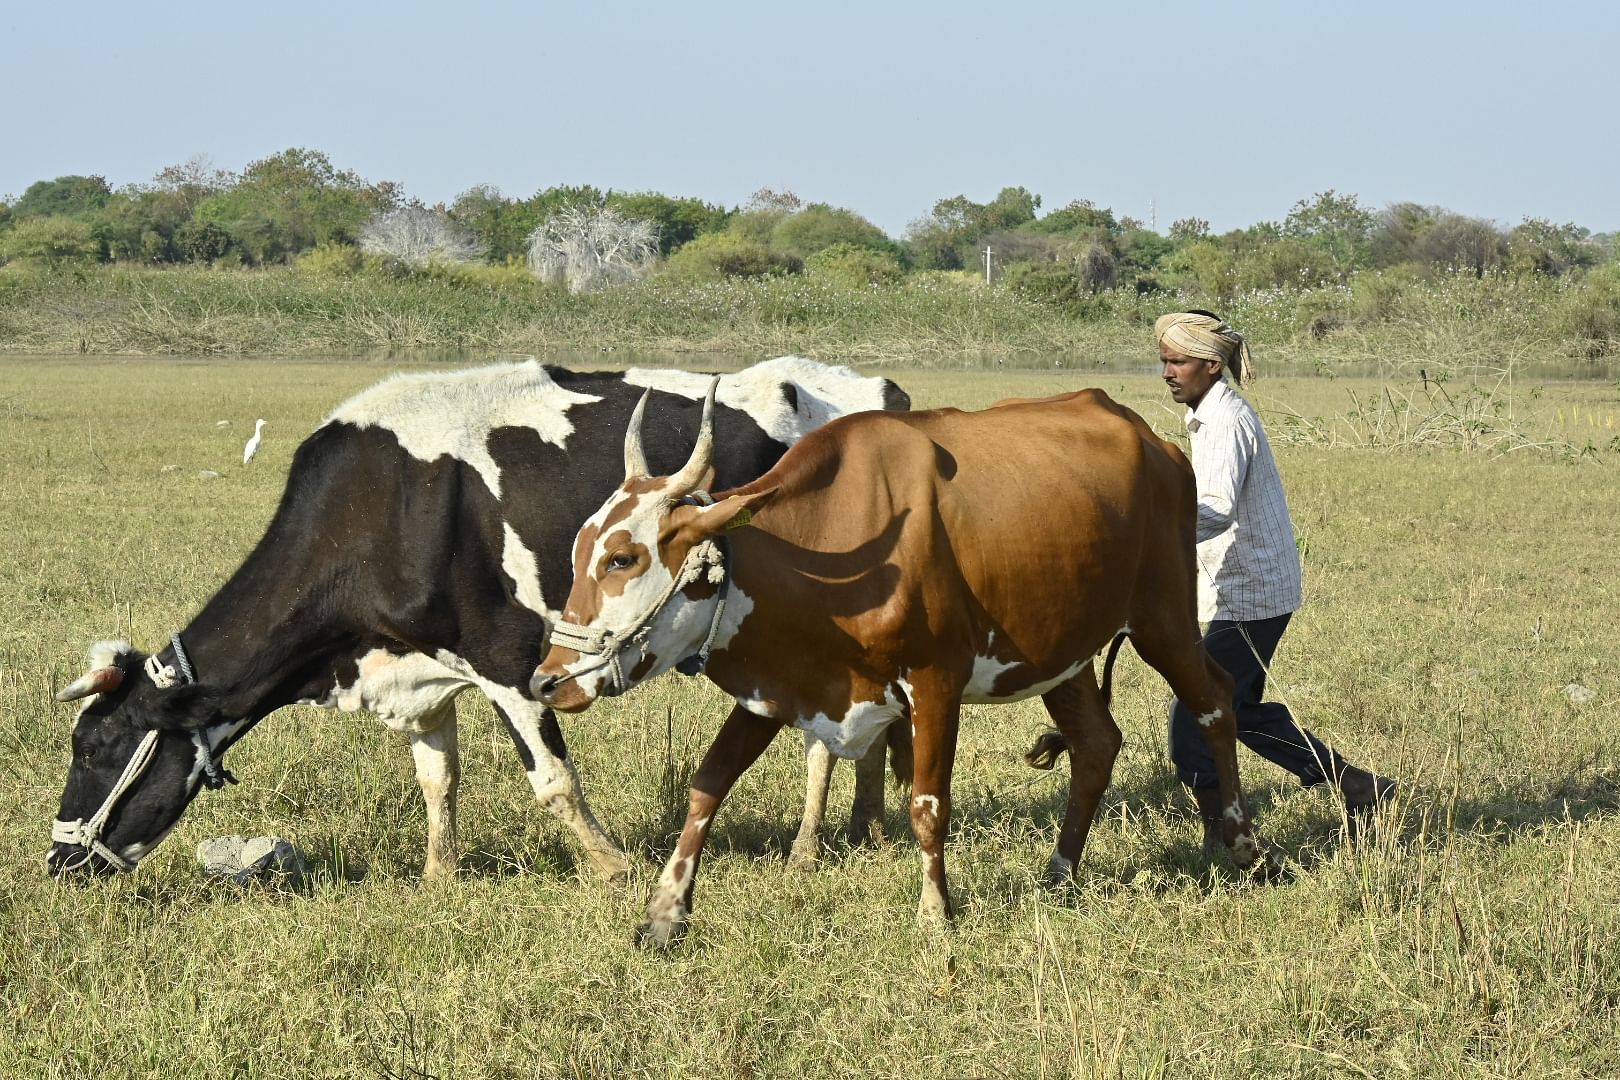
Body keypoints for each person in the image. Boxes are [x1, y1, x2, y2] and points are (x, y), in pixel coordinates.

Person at [1156, 310, 1393, 851]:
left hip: (1251, 591)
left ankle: (1223, 834)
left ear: (1211, 366)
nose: (1167, 372)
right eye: (1164, 361)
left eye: (1178, 362)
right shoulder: (1207, 413)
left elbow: (1213, 510)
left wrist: (1147, 541)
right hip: (1242, 585)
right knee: (1234, 709)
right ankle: (1354, 785)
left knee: (1199, 716)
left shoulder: (1225, 422)